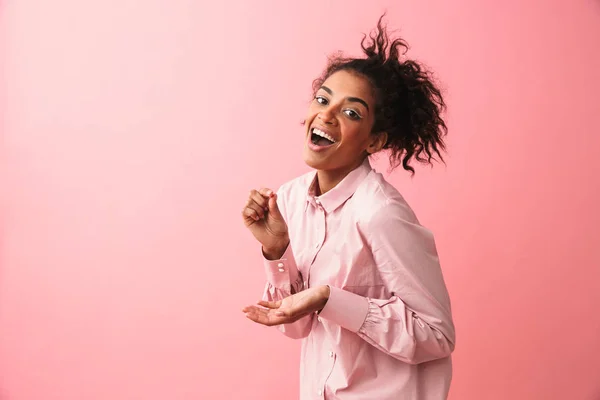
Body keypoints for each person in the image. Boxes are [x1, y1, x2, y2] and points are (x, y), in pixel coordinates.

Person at [241, 16, 456, 400]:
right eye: (323, 99)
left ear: (374, 141)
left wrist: (330, 299)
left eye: (351, 112)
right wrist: (276, 250)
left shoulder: (380, 213)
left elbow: (437, 336)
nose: (326, 115)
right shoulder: (289, 200)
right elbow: (293, 326)